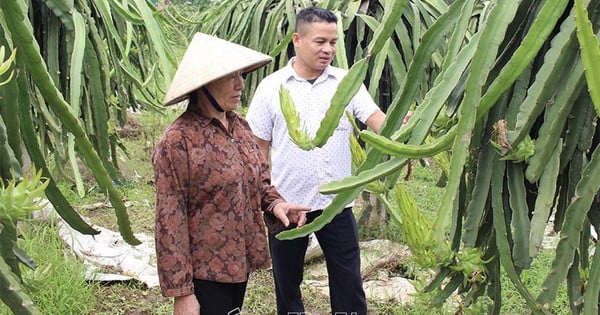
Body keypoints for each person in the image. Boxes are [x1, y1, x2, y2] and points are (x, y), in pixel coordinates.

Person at [152, 32, 310, 315]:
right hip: (205, 272)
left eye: (241, 75)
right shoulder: (178, 141)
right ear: (205, 84)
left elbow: (260, 182)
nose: (240, 85)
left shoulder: (240, 127)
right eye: (230, 77)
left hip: (239, 262)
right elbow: (169, 220)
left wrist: (277, 204)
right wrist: (182, 293)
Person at [246, 6, 387, 315]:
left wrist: (403, 128)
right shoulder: (271, 88)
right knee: (287, 284)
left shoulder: (347, 82)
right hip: (287, 205)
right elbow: (256, 148)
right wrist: (264, 198)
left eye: (333, 42)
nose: (329, 50)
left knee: (349, 284)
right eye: (320, 41)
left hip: (337, 204)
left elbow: (376, 119)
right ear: (298, 39)